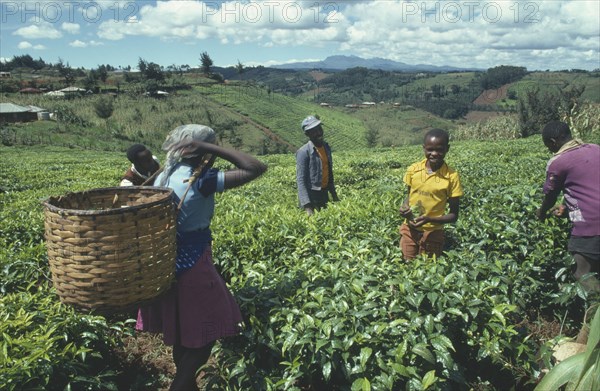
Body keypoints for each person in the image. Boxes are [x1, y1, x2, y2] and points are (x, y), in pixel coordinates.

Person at [136, 124, 267, 391]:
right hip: (194, 262)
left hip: (165, 261)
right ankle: (179, 386)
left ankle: (187, 387)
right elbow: (255, 167)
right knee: (210, 330)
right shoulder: (201, 179)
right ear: (200, 152)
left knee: (184, 332)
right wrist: (210, 147)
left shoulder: (164, 175)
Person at [536, 121, 600, 295]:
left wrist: (541, 213)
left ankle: (595, 315)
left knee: (581, 272)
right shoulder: (596, 148)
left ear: (552, 142)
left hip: (591, 224)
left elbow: (550, 196)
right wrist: (567, 208)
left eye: (548, 146)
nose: (549, 150)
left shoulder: (558, 161)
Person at [399, 128, 463, 260]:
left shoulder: (452, 177)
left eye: (439, 150)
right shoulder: (413, 170)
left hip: (433, 232)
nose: (434, 154)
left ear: (447, 149)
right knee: (407, 264)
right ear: (424, 148)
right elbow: (409, 195)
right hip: (409, 228)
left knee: (428, 268)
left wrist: (429, 219)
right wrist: (405, 208)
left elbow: (454, 215)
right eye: (430, 150)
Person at [296, 115, 339, 215]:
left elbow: (329, 172)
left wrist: (334, 195)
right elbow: (300, 180)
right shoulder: (303, 152)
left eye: (319, 129)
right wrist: (307, 206)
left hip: (323, 194)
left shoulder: (326, 147)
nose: (318, 133)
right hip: (311, 196)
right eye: (313, 131)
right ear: (307, 134)